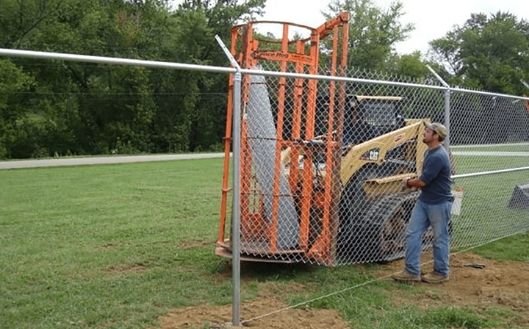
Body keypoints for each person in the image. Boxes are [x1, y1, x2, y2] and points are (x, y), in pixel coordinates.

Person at [392, 122, 453, 284]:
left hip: (439, 203)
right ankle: (412, 271)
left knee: (440, 238)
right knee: (412, 233)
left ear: (436, 136)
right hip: (425, 200)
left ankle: (441, 272)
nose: (424, 133)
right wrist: (415, 183)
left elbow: (423, 182)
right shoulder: (429, 152)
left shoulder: (439, 156)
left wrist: (408, 182)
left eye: (428, 131)